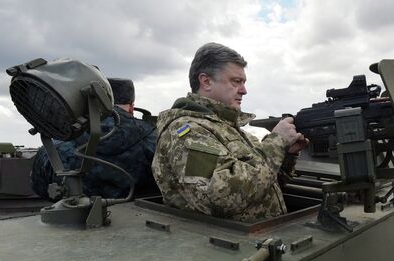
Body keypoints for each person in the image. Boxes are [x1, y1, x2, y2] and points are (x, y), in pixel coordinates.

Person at [152, 42, 308, 222]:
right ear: (206, 81)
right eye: (236, 81)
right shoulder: (187, 132)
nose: (244, 90)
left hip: (257, 240)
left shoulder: (229, 128)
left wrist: (285, 154)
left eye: (243, 82)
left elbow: (265, 186)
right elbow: (221, 197)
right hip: (228, 245)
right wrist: (276, 143)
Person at [31, 78, 158, 200]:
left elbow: (40, 187)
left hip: (73, 219)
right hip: (143, 217)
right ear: (131, 107)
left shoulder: (55, 148)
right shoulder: (154, 139)